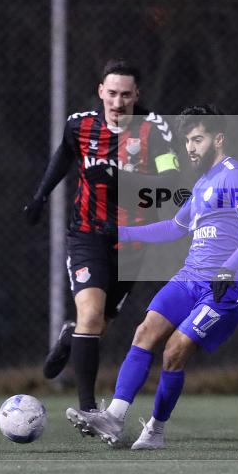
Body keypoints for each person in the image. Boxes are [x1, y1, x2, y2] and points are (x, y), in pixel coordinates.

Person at [67, 104, 238, 450]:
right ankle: (114, 417)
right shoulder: (203, 182)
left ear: (218, 139)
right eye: (187, 141)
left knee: (174, 350)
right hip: (190, 278)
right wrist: (121, 232)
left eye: (198, 139)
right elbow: (175, 227)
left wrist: (229, 266)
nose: (190, 148)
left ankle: (156, 430)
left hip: (226, 286)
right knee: (145, 331)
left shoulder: (235, 176)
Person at [23, 59, 179, 414]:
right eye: (112, 93)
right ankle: (88, 409)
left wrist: (119, 178)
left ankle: (71, 336)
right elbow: (64, 155)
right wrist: (40, 197)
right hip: (87, 234)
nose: (118, 102)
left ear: (137, 95)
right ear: (100, 92)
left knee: (98, 324)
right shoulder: (80, 126)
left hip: (132, 241)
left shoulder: (154, 130)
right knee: (92, 316)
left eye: (125, 95)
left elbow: (170, 184)